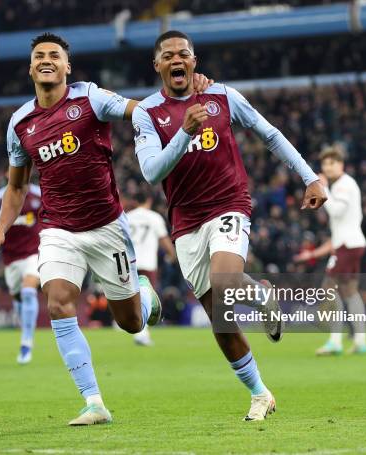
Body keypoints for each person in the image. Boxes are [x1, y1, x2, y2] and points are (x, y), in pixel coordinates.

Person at [0, 32, 212, 426]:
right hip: (57, 228)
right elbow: (17, 185)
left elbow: (141, 111)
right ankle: (94, 403)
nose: (47, 60)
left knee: (131, 323)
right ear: (31, 67)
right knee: (57, 301)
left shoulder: (90, 97)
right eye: (39, 56)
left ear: (67, 66)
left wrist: (186, 95)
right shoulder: (20, 123)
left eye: (55, 55)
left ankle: (143, 295)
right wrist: (0, 229)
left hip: (106, 226)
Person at [131, 30, 326, 421]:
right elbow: (152, 172)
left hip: (228, 205)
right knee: (220, 317)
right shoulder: (147, 113)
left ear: (193, 61)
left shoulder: (222, 96)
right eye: (167, 55)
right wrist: (185, 131)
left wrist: (310, 176)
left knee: (224, 286)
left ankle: (255, 297)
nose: (176, 60)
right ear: (157, 65)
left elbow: (269, 134)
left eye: (182, 54)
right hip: (185, 222)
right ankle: (260, 389)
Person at [294, 145, 366, 355]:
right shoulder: (344, 184)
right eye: (325, 163)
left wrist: (323, 188)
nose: (327, 167)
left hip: (346, 245)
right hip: (351, 244)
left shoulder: (343, 185)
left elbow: (336, 211)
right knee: (350, 292)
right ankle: (361, 341)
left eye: (331, 163)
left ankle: (335, 341)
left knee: (329, 288)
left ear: (341, 165)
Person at [0, 183, 42, 364]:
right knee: (19, 301)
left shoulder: (39, 193)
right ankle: (25, 332)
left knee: (29, 292)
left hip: (34, 252)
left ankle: (26, 344)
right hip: (11, 259)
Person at [127, 192, 177, 346]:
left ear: (135, 201)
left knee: (131, 297)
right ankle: (142, 333)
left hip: (129, 262)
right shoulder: (154, 217)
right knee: (146, 299)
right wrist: (172, 255)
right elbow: (164, 240)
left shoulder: (127, 217)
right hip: (148, 263)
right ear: (149, 199)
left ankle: (136, 329)